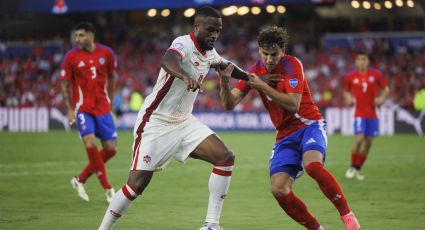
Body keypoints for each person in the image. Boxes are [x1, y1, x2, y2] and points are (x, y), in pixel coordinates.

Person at [99, 7, 250, 230]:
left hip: (184, 122)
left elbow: (227, 66)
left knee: (225, 157)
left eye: (218, 31)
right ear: (196, 27)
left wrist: (255, 81)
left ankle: (211, 225)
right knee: (136, 185)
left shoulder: (210, 52)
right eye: (210, 30)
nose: (214, 35)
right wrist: (184, 75)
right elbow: (167, 60)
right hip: (156, 121)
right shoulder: (183, 43)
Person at [218, 26, 360, 230]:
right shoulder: (252, 72)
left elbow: (293, 104)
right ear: (259, 51)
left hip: (309, 125)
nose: (269, 59)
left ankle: (348, 217)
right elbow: (230, 104)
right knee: (279, 189)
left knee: (313, 166)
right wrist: (224, 82)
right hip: (285, 135)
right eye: (265, 54)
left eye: (274, 54)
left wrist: (261, 86)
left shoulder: (293, 65)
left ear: (283, 51)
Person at [60, 22, 118, 203]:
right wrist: (70, 110)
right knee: (90, 142)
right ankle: (108, 188)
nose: (78, 39)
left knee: (111, 149)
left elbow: (112, 77)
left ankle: (79, 179)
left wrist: (111, 103)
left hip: (103, 107)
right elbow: (64, 84)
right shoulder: (71, 57)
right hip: (83, 108)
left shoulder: (107, 53)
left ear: (92, 35)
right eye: (76, 35)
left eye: (81, 35)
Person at [343, 52, 389, 180]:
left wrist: (381, 98)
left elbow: (386, 88)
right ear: (356, 62)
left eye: (364, 59)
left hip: (373, 115)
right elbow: (346, 90)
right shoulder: (351, 76)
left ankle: (358, 169)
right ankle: (352, 167)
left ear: (368, 61)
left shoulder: (376, 74)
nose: (361, 62)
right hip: (359, 114)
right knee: (358, 139)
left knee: (368, 143)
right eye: (359, 59)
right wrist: (348, 98)